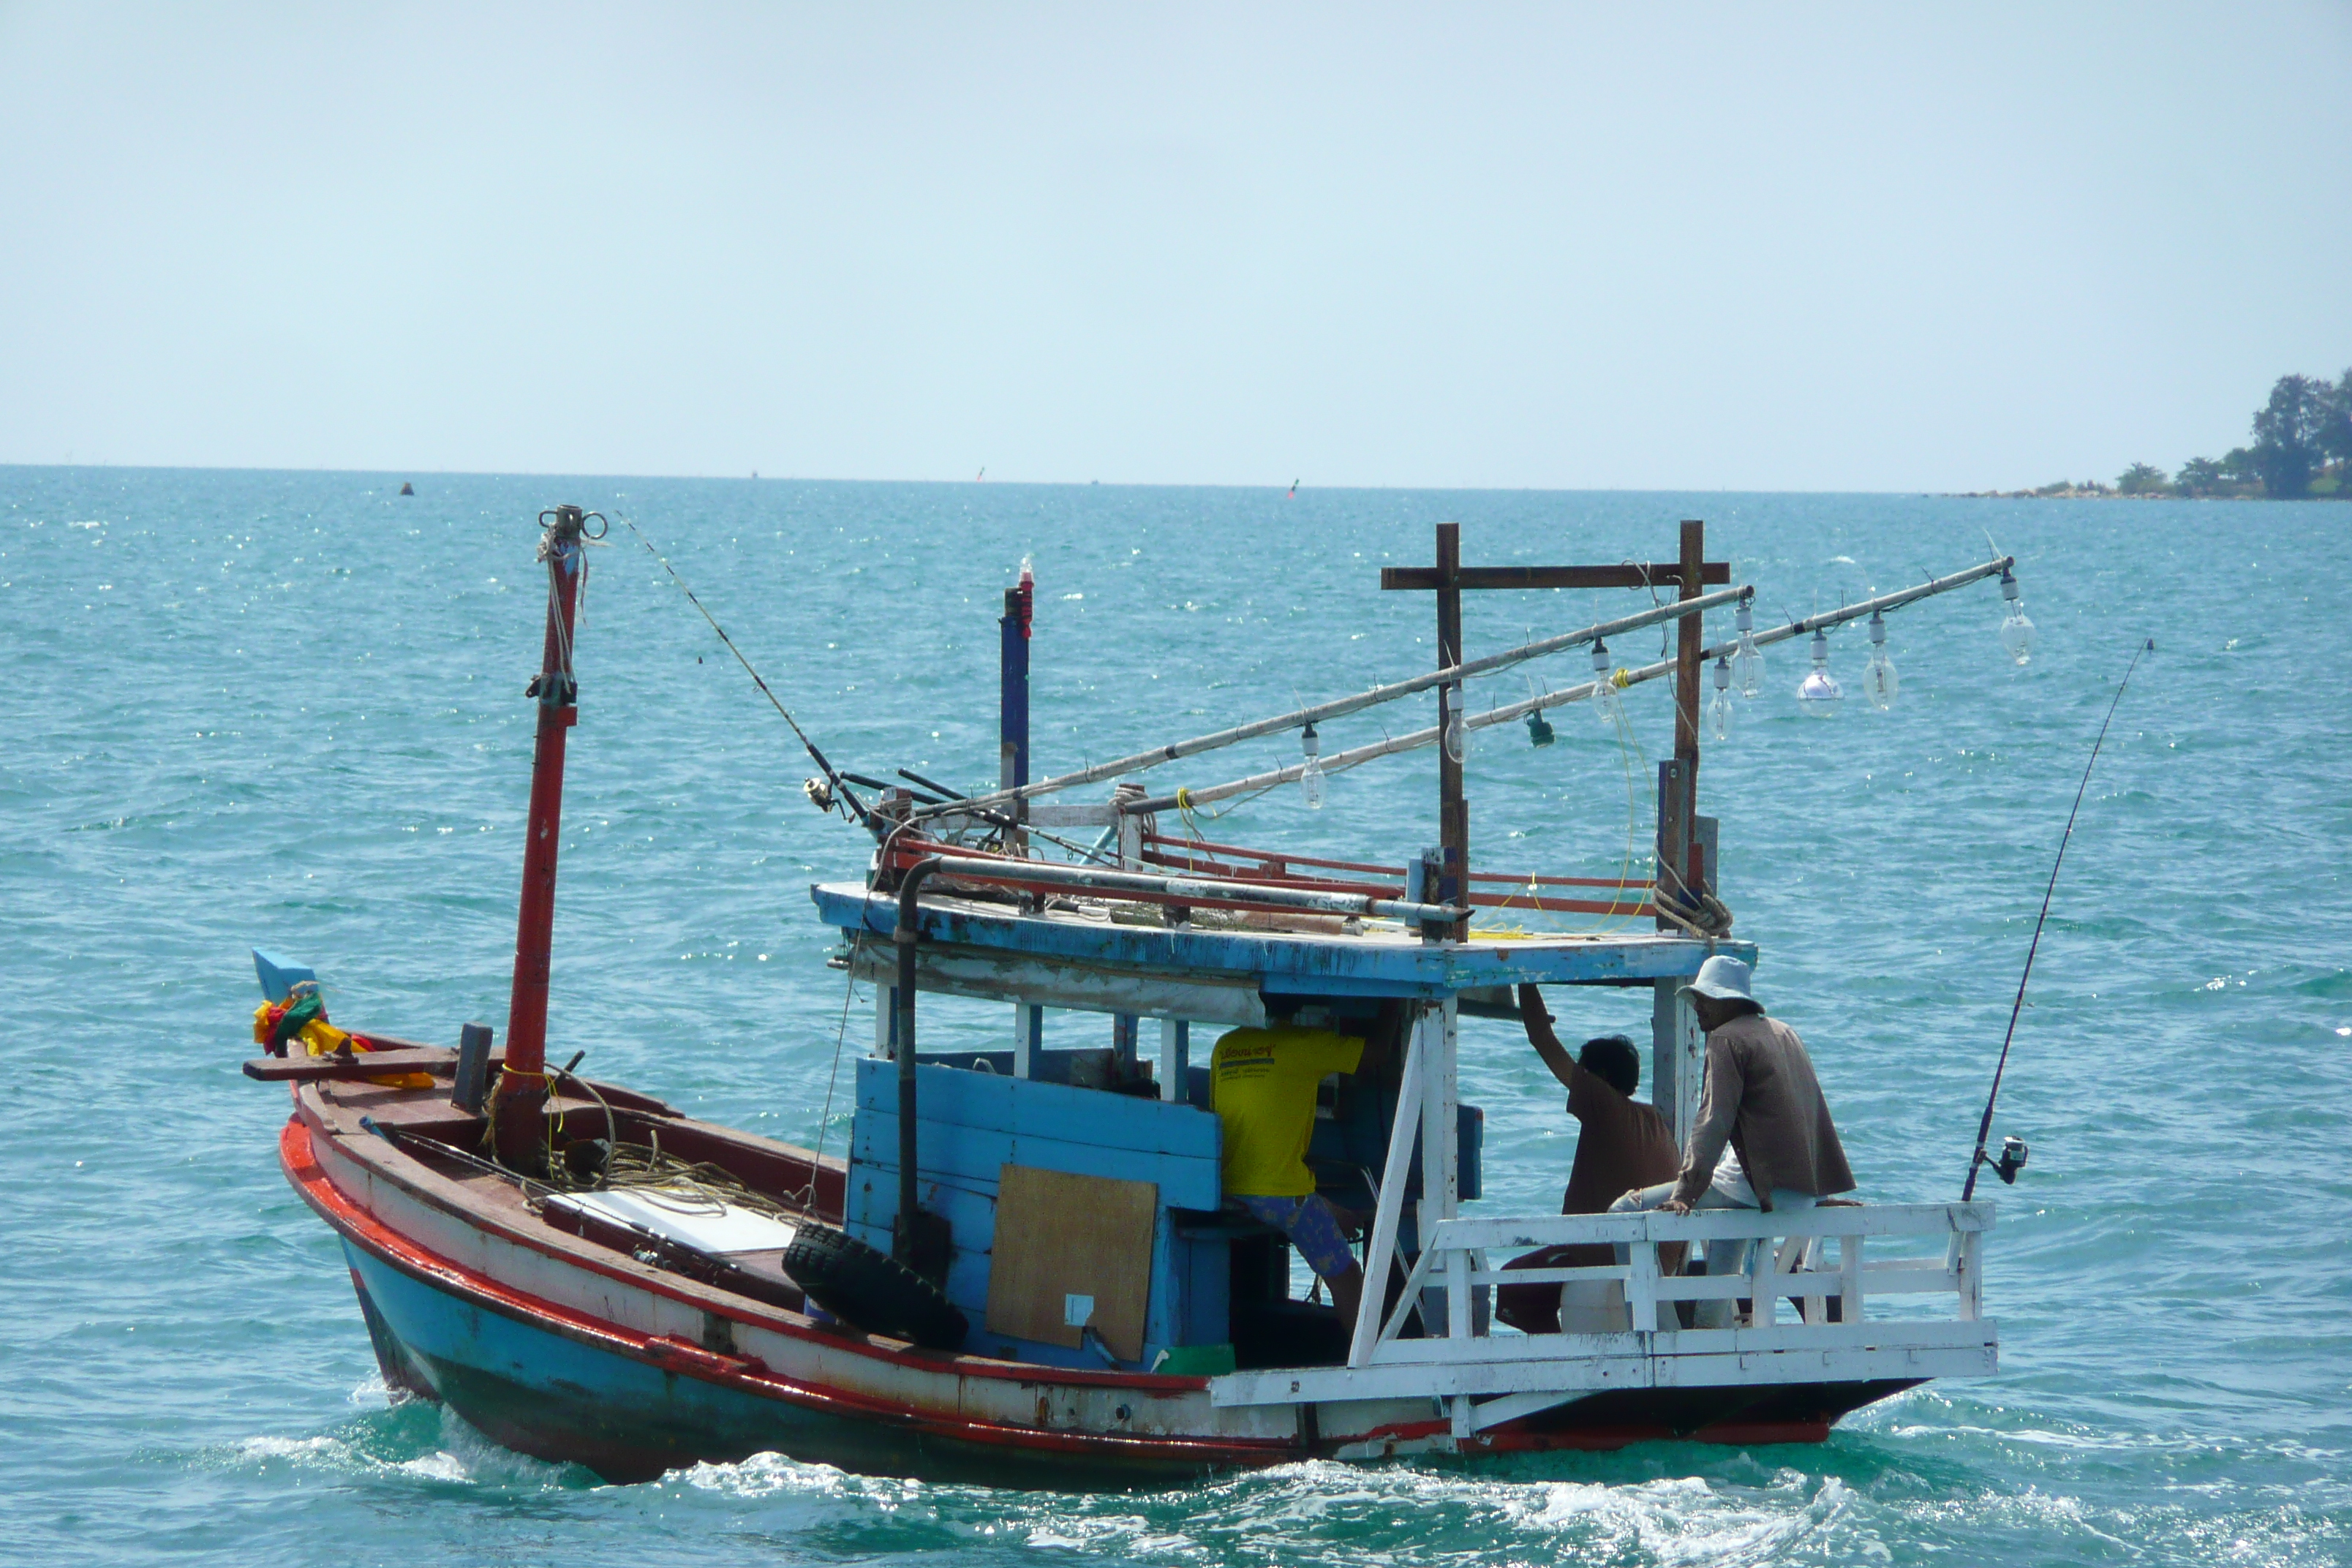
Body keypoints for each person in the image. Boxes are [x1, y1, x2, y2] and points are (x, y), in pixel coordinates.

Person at [1610, 954, 1855, 1326]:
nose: (1697, 1009)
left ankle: (1653, 1332)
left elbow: (1713, 1120)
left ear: (1729, 1001)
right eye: (1695, 1000)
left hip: (1754, 1188)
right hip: (1796, 1192)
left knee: (1623, 1212)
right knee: (1721, 1267)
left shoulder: (1726, 1039)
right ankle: (1707, 1341)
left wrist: (1686, 1193)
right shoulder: (1784, 1033)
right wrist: (1820, 1191)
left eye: (1704, 1000)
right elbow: (1811, 1111)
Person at [1496, 984, 1681, 1333]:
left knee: (1513, 1281)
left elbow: (1543, 1039)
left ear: (1603, 1079)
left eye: (1583, 1071)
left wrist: (1524, 977)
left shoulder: (1606, 1105)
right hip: (1660, 1261)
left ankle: (1556, 1354)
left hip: (1608, 1257)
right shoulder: (1655, 1120)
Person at [1209, 1013, 1368, 1325]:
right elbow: (1374, 1057)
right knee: (1348, 1276)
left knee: (1308, 1204)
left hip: (1229, 1187)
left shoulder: (1226, 1046)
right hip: (1278, 1196)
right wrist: (1392, 1010)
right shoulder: (1304, 1043)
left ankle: (1334, 1211)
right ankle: (1368, 1363)